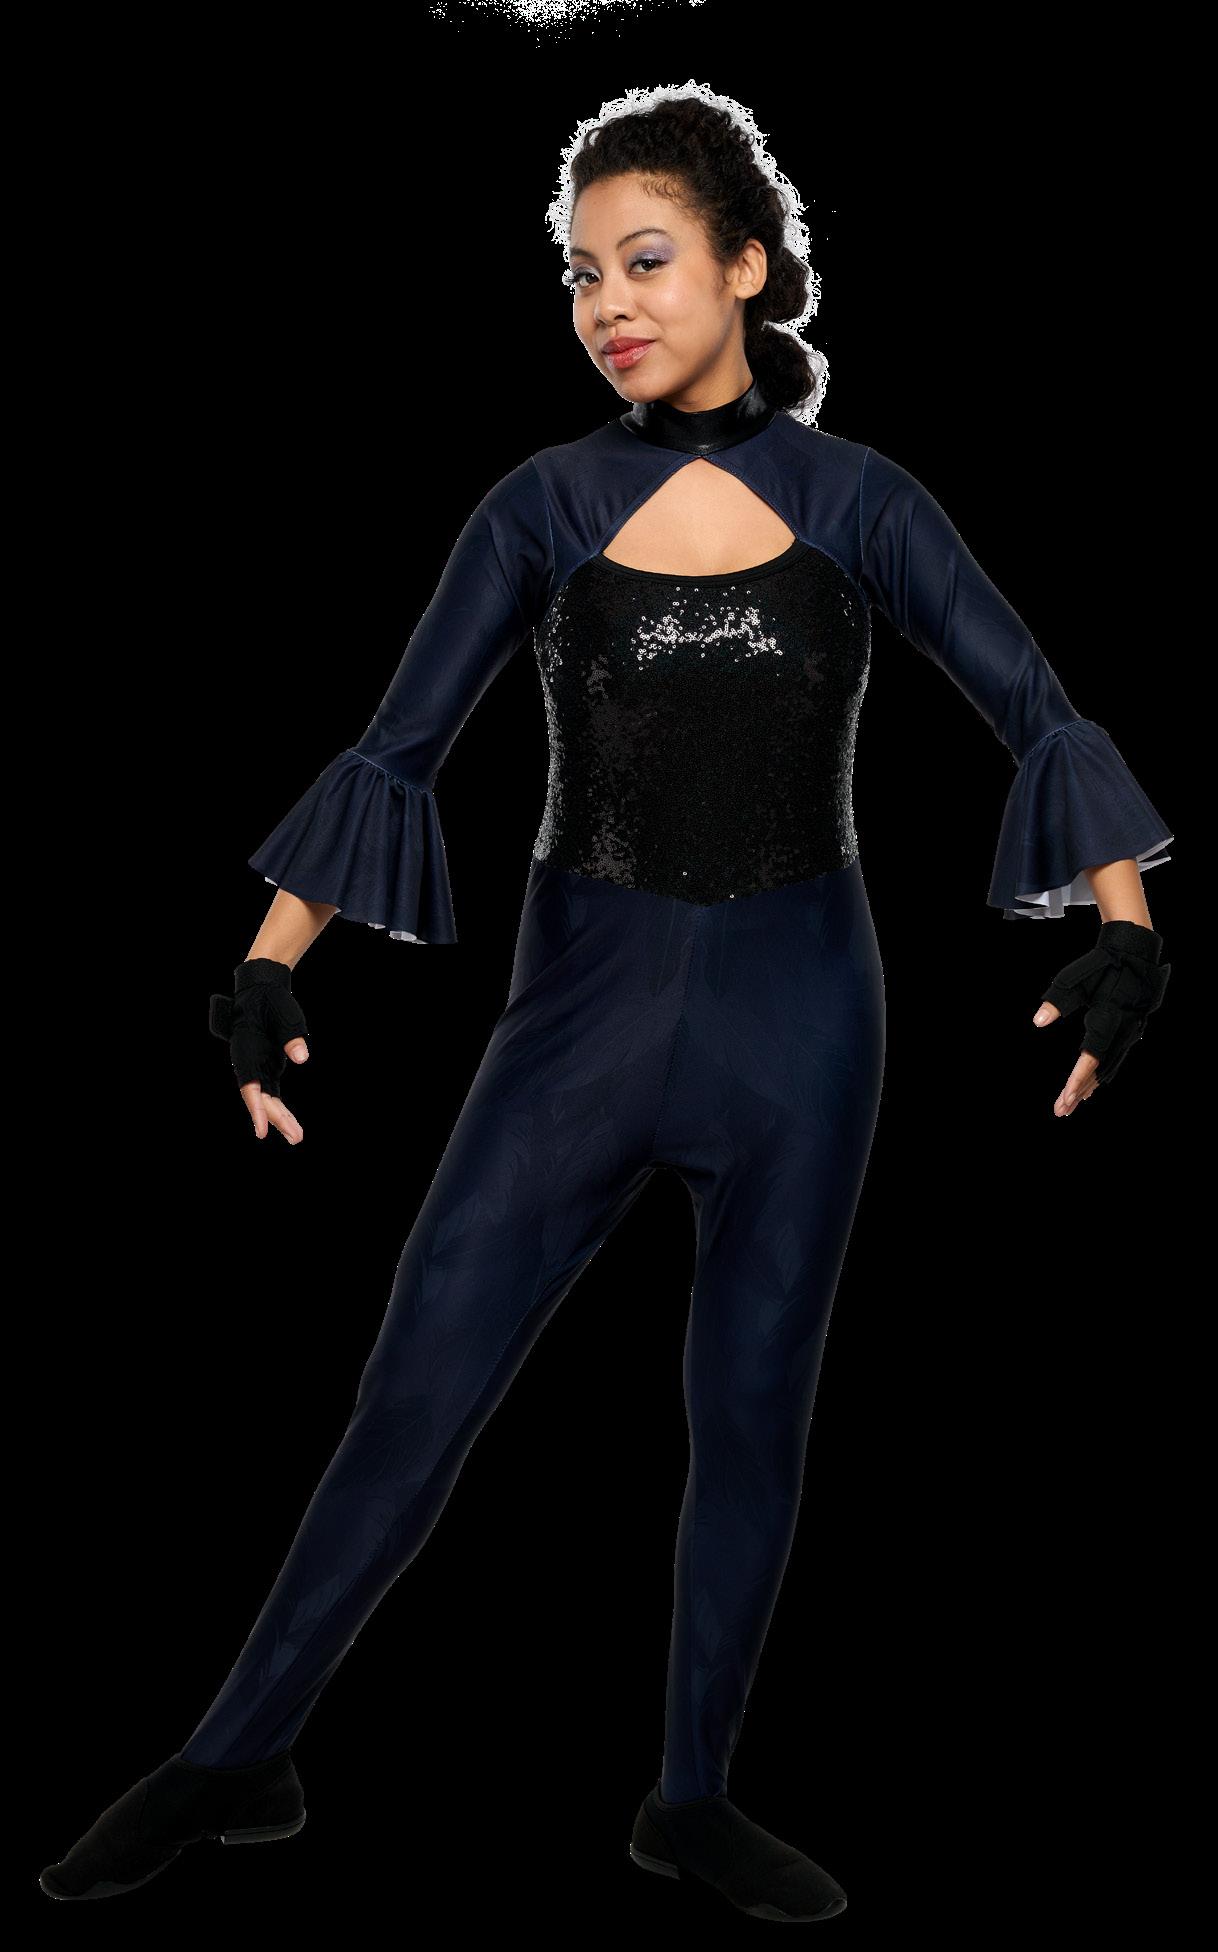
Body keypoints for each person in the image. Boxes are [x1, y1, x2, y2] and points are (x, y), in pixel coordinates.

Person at [40, 82, 1172, 1919]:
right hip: (579, 1013)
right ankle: (232, 1756)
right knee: (414, 1385)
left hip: (805, 1019)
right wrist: (265, 965)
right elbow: (400, 748)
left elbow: (1033, 708)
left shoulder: (862, 501)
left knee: (752, 1407)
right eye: (579, 276)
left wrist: (1124, 934)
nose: (607, 305)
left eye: (643, 261)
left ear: (746, 267)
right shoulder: (541, 504)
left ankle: (692, 1795)